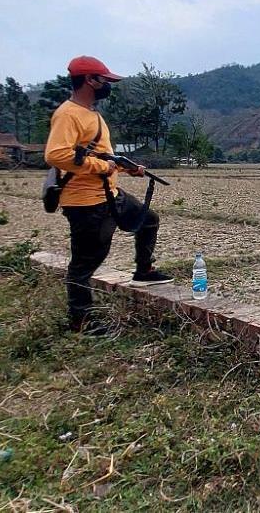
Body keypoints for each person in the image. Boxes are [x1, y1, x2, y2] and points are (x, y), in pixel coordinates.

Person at [44, 56, 173, 334]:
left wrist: (128, 169)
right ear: (90, 80)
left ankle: (144, 270)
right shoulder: (68, 114)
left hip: (109, 194)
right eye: (106, 81)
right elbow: (56, 154)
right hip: (86, 203)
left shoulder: (93, 115)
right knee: (85, 263)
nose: (108, 86)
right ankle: (81, 322)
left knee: (148, 219)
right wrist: (102, 166)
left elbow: (105, 157)